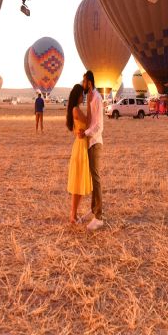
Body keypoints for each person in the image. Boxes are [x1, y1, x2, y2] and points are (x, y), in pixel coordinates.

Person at [79, 70, 104, 230]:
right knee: (92, 178)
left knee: (96, 179)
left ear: (89, 82)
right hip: (90, 143)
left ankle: (99, 217)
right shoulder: (90, 98)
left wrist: (85, 133)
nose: (82, 84)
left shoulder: (97, 98)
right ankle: (94, 209)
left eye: (84, 81)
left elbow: (98, 125)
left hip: (95, 142)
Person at [65, 84, 92, 224]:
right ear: (77, 95)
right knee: (78, 182)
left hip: (82, 145)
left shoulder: (75, 109)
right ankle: (72, 215)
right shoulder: (76, 109)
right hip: (80, 146)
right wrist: (90, 106)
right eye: (82, 94)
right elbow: (88, 122)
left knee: (80, 182)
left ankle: (73, 215)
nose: (83, 96)